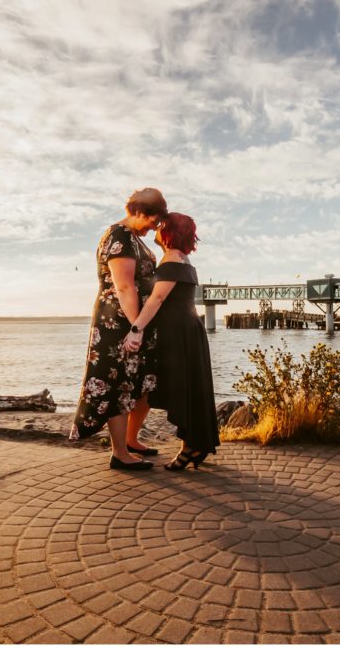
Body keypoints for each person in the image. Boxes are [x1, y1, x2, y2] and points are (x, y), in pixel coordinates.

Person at [71, 187, 167, 470]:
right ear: (139, 212)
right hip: (118, 323)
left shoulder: (135, 238)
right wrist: (136, 327)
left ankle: (131, 440)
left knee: (141, 384)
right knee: (120, 384)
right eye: (153, 220)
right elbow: (124, 286)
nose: (155, 226)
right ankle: (119, 453)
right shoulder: (119, 237)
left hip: (136, 322)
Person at [123, 212, 220, 470]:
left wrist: (136, 328)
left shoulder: (172, 258)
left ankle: (190, 448)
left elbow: (157, 299)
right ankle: (197, 444)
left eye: (161, 225)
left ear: (170, 232)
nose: (156, 227)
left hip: (178, 333)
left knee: (182, 389)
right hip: (189, 329)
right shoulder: (184, 259)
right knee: (191, 387)